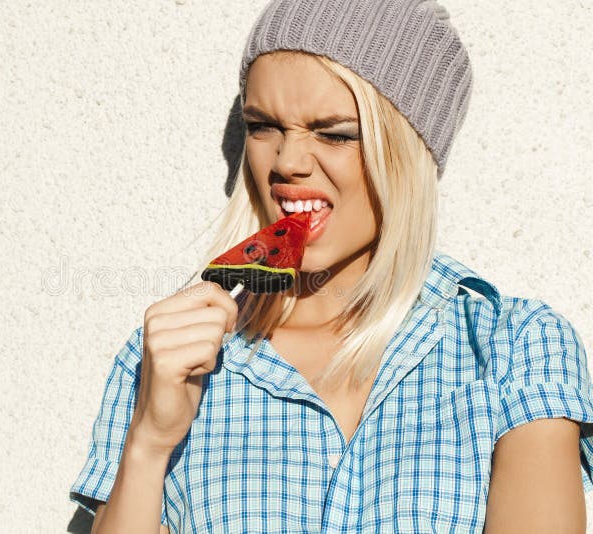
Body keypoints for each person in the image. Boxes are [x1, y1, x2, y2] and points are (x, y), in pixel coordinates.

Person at [70, 0, 593, 531]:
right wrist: (151, 441)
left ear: (407, 150)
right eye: (263, 126)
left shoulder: (515, 348)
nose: (287, 163)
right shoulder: (169, 352)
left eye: (335, 133)